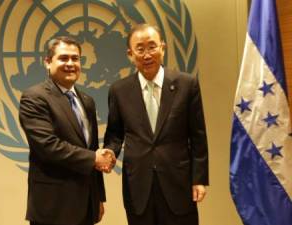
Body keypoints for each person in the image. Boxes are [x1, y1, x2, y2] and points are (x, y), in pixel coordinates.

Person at [104, 24, 209, 225]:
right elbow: (115, 134)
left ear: (163, 47)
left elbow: (198, 136)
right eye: (140, 49)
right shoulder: (119, 90)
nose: (146, 54)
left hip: (178, 182)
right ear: (130, 54)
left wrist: (199, 179)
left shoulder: (187, 85)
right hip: (138, 186)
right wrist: (110, 152)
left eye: (152, 47)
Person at [19, 36, 115, 225]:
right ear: (48, 62)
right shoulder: (34, 97)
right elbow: (48, 146)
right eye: (63, 58)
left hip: (87, 203)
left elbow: (92, 147)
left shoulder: (87, 101)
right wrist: (94, 158)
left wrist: (98, 198)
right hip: (53, 206)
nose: (70, 63)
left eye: (75, 58)